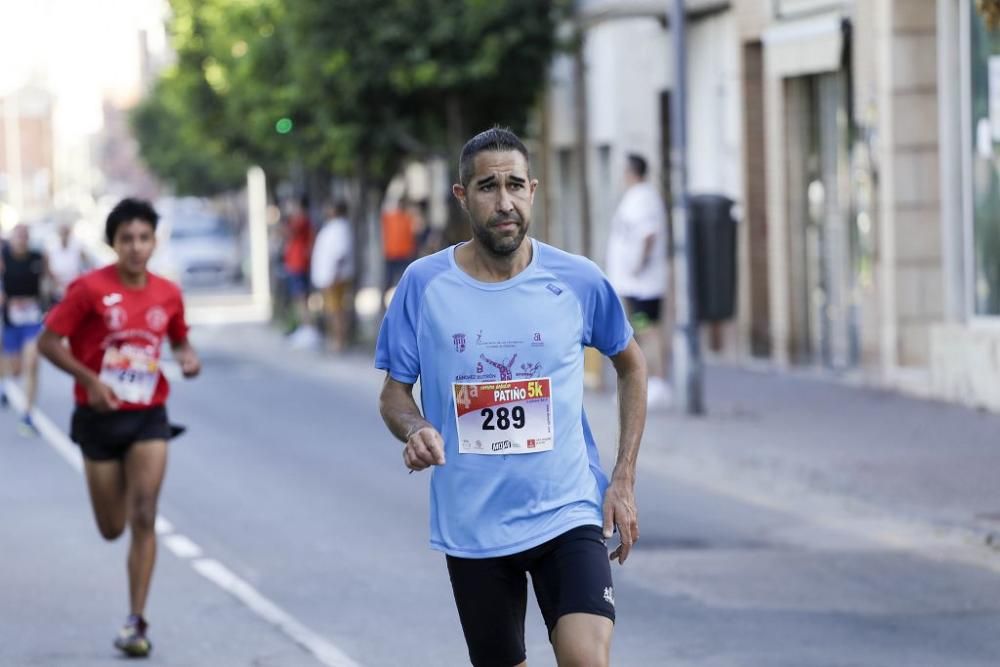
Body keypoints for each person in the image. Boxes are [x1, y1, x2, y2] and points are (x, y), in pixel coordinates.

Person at [376, 127, 648, 667]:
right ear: (462, 196)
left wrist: (622, 478)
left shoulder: (577, 279)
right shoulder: (423, 285)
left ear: (533, 190)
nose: (504, 202)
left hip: (566, 511)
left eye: (515, 186)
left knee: (586, 660)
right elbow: (393, 394)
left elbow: (632, 365)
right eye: (487, 187)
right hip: (473, 524)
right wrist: (416, 428)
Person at [37, 198, 201, 658]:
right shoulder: (88, 289)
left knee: (145, 514)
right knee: (112, 527)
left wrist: (187, 356)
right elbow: (48, 342)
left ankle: (136, 621)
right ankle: (123, 492)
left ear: (154, 241)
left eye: (143, 238)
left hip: (149, 415)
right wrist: (89, 380)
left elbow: (178, 336)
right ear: (113, 242)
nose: (135, 247)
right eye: (126, 239)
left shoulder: (167, 292)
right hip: (98, 418)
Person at [605, 153, 671, 409]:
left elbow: (648, 235)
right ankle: (646, 382)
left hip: (643, 284)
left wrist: (637, 265)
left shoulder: (644, 198)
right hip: (633, 284)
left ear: (631, 173)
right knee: (639, 330)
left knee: (647, 329)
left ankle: (658, 381)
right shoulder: (635, 197)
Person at [0, 223, 49, 435]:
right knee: (15, 369)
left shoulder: (38, 257)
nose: (21, 239)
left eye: (24, 235)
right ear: (11, 239)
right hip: (11, 320)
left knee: (33, 361)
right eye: (17, 235)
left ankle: (27, 416)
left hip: (32, 318)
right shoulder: (3, 257)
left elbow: (48, 280)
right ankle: (3, 384)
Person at [310, 199, 354, 352]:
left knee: (336, 310)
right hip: (330, 275)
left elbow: (340, 254)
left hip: (335, 276)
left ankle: (339, 341)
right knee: (332, 309)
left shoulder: (340, 227)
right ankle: (336, 339)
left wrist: (334, 274)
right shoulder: (334, 226)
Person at [282, 196, 316, 344]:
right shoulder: (302, 220)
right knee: (300, 297)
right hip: (296, 262)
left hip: (298, 263)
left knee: (301, 297)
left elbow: (287, 232)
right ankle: (303, 326)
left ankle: (307, 327)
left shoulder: (301, 220)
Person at [380, 197, 417, 298]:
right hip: (393, 254)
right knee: (389, 280)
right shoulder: (391, 217)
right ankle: (383, 300)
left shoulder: (408, 218)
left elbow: (412, 234)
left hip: (404, 254)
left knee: (404, 279)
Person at [47, 222, 89, 302]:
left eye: (66, 233)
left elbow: (86, 266)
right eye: (62, 233)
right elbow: (48, 270)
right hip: (57, 289)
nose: (64, 236)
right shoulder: (51, 248)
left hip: (75, 288)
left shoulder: (78, 247)